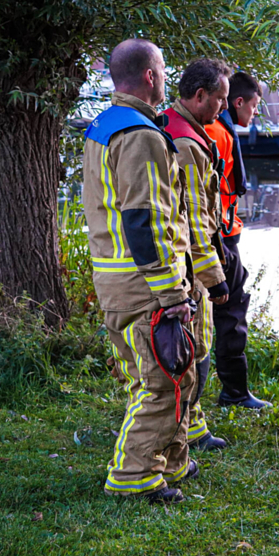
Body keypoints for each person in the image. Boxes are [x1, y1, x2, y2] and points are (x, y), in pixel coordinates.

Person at [82, 38, 200, 504]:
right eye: (164, 69)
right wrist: (173, 293)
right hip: (143, 284)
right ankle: (134, 477)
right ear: (151, 76)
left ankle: (170, 461)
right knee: (160, 382)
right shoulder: (142, 135)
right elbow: (144, 219)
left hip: (116, 277)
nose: (167, 76)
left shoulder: (104, 125)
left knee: (172, 373)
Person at [161, 58, 233, 451]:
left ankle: (194, 422)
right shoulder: (187, 145)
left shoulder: (173, 124)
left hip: (183, 261)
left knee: (194, 346)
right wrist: (214, 277)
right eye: (220, 100)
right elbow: (193, 218)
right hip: (187, 267)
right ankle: (184, 429)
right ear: (200, 94)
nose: (223, 108)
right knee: (198, 346)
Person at [203, 72, 272, 410]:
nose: (256, 113)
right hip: (221, 238)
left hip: (213, 235)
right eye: (255, 106)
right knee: (231, 311)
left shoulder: (207, 128)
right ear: (238, 102)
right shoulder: (219, 135)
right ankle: (235, 391)